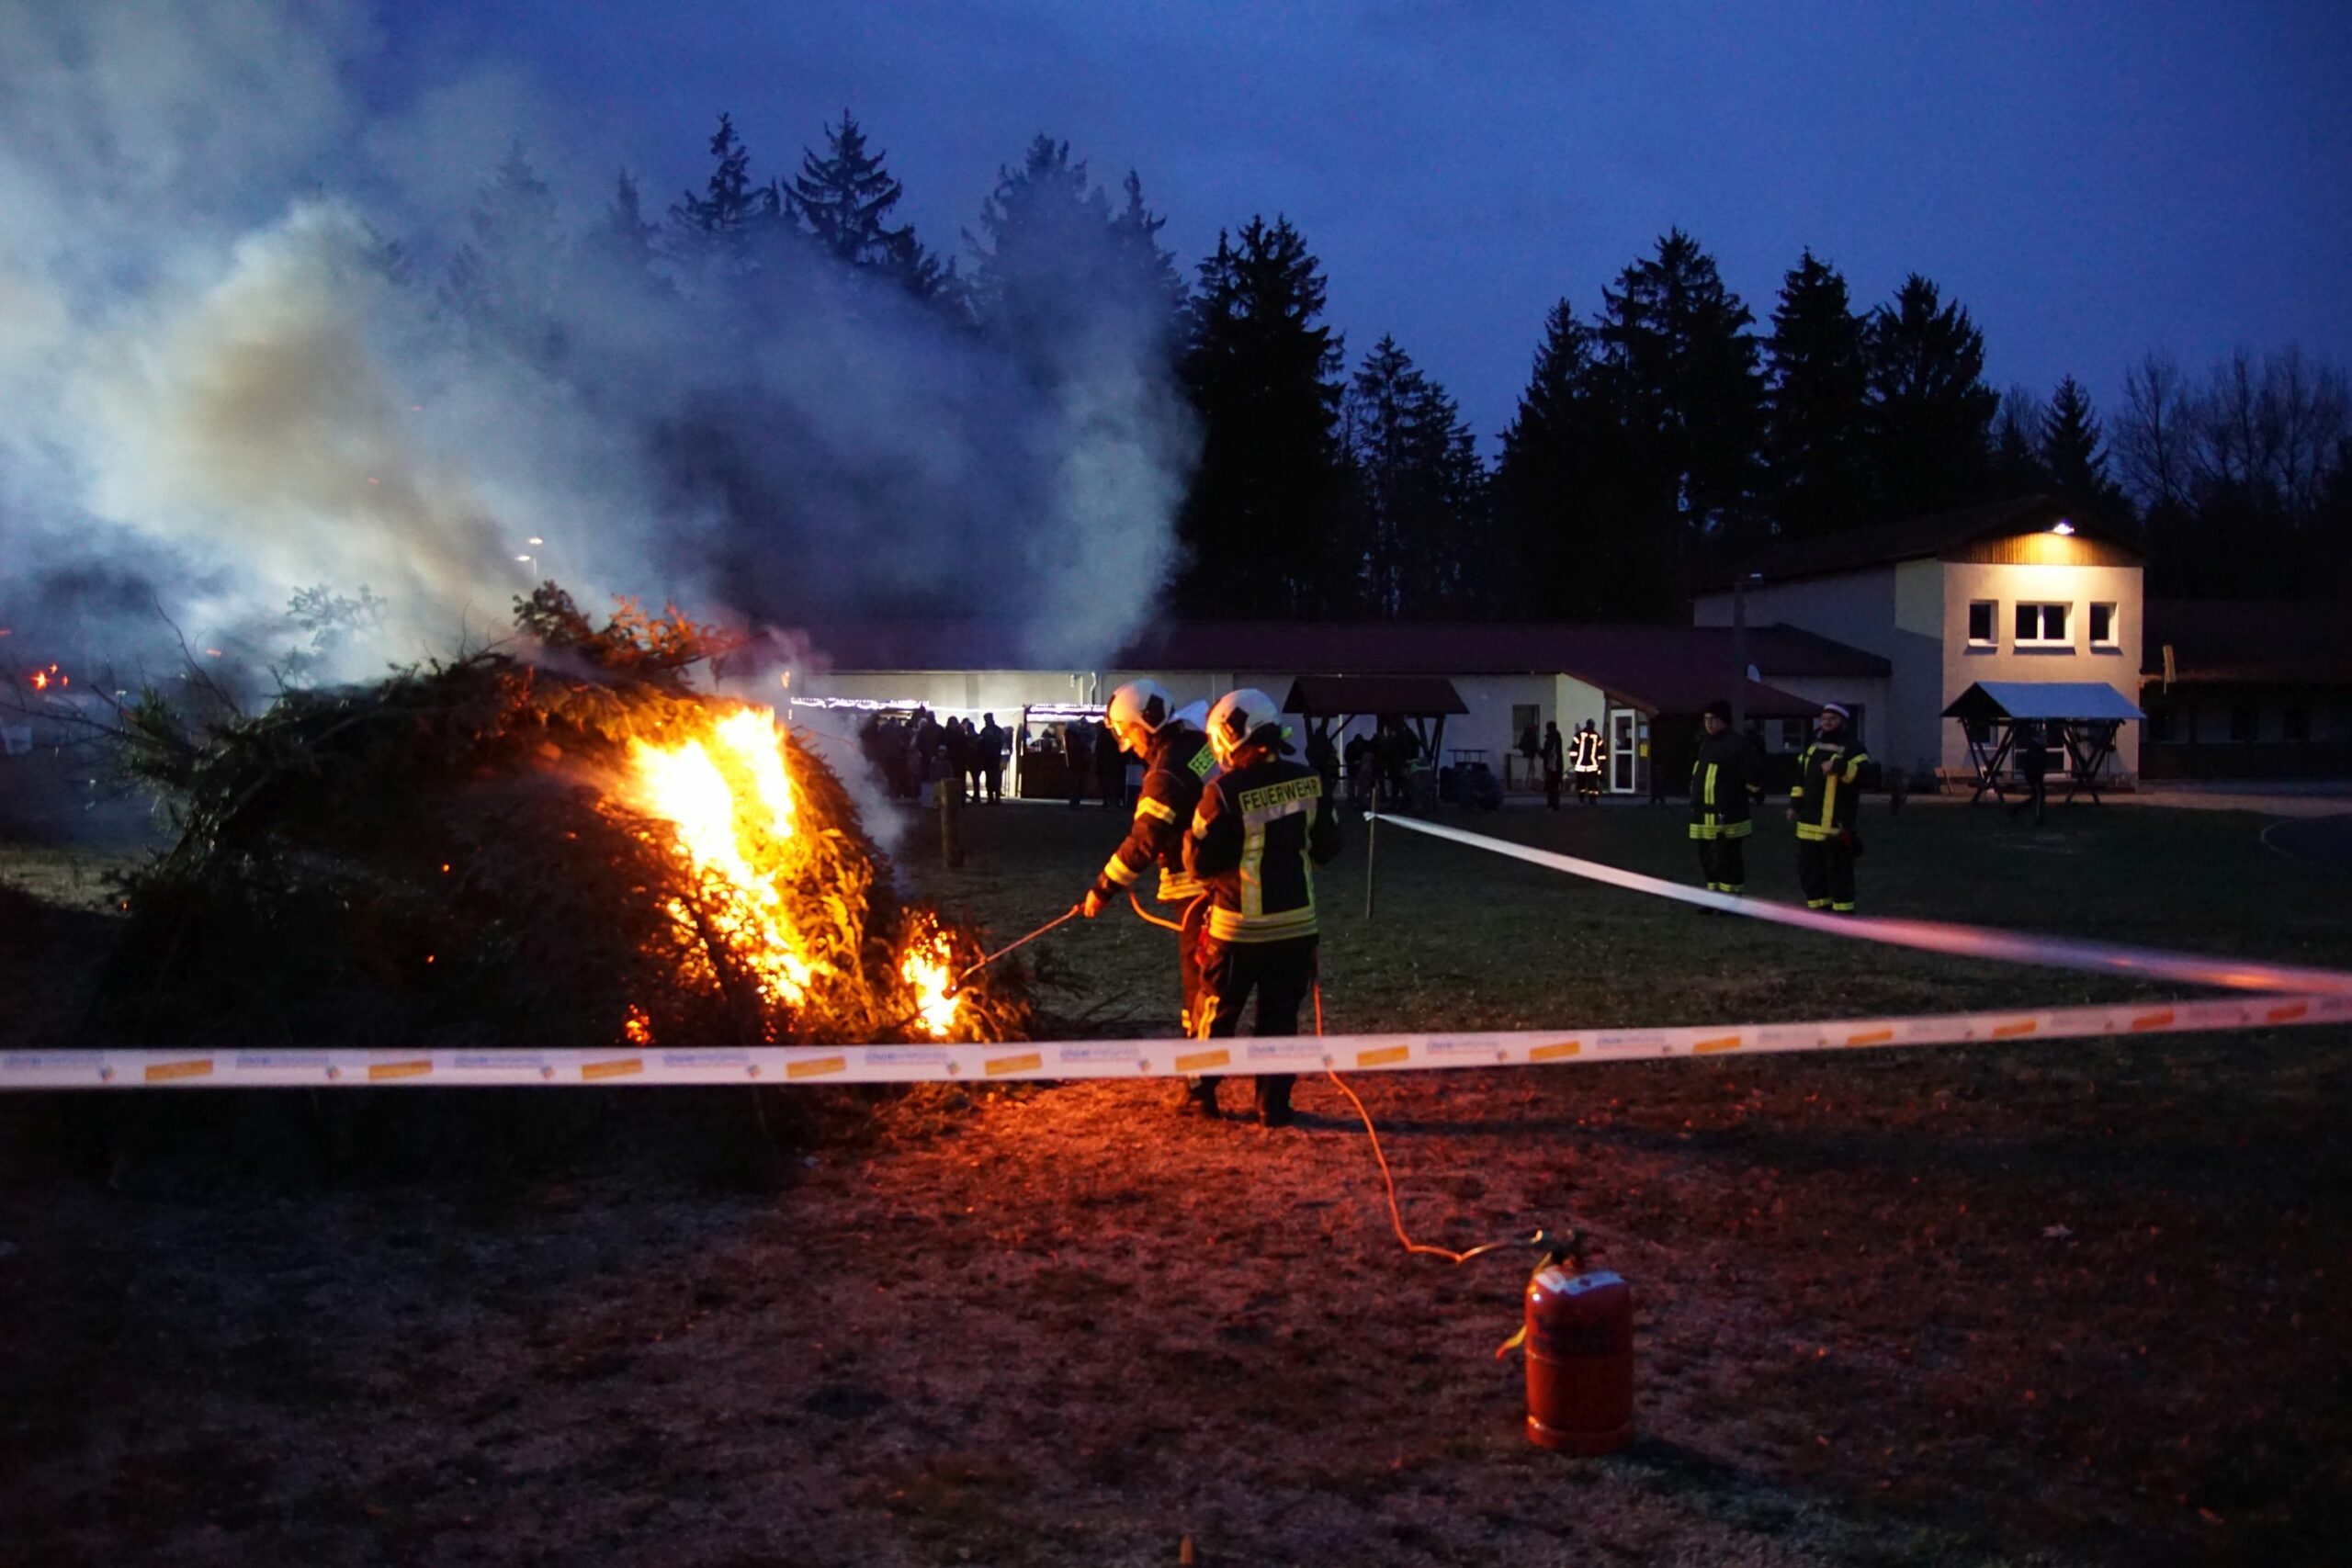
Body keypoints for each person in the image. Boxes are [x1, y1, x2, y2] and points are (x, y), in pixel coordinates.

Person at [1185, 688, 1341, 1128]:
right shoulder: (1311, 780)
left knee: (1217, 1012)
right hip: (1296, 928)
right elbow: (1329, 847)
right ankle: (1272, 1105)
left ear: (1233, 735)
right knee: (1279, 1020)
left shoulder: (1222, 791)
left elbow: (1197, 861)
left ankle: (1200, 1094)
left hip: (1236, 930)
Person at [1078, 681, 1221, 1095]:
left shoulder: (1165, 773)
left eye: (1127, 732)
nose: (1127, 743)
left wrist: (1102, 890)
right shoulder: (1197, 742)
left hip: (1196, 888)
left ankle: (1200, 1085)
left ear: (1147, 724)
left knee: (1199, 985)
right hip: (1227, 879)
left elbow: (1144, 839)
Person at [1789, 702, 1879, 914]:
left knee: (1838, 868)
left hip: (1836, 821)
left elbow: (1868, 777)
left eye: (1833, 719)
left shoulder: (1854, 748)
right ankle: (1819, 907)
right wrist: (1794, 805)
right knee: (1810, 868)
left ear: (1843, 723)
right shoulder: (1812, 747)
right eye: (1825, 718)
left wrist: (1839, 766)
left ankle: (1843, 910)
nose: (1827, 722)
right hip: (1809, 821)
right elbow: (1800, 778)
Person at [1689, 698, 1764, 896]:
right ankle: (1714, 896)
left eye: (1713, 719)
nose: (1709, 723)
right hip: (1703, 813)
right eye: (1706, 719)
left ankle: (1731, 898)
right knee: (1706, 857)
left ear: (1724, 720)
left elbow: (1753, 776)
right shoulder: (1705, 744)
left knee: (1728, 858)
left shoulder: (1737, 744)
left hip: (1728, 814)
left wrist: (1737, 800)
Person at [2009, 721, 2048, 825]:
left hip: (2035, 776)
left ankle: (2017, 810)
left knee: (2036, 796)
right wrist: (2036, 776)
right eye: (2044, 737)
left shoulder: (2037, 748)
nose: (2046, 740)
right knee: (2040, 796)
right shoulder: (2036, 749)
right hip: (2035, 777)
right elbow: (2034, 764)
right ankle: (2038, 817)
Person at [1571, 718, 1606, 804]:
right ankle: (1592, 798)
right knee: (1592, 783)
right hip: (1592, 765)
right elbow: (1601, 752)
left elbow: (1574, 750)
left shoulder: (1578, 735)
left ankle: (1582, 797)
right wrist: (1602, 763)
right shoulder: (1597, 736)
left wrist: (1573, 760)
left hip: (1580, 764)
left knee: (1581, 782)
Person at [1093, 716, 1125, 808]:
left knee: (1105, 785)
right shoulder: (1113, 736)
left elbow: (1098, 752)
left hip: (1104, 765)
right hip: (1114, 764)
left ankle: (1107, 802)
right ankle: (1115, 802)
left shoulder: (1101, 737)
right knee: (1114, 784)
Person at [978, 713, 1007, 803]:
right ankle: (994, 797)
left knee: (991, 778)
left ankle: (993, 797)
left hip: (991, 758)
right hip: (993, 758)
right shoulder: (997, 730)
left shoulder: (985, 731)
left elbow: (980, 744)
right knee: (994, 778)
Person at [1063, 719, 1091, 809]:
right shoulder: (1074, 737)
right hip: (1078, 763)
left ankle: (1074, 801)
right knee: (1078, 782)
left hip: (1074, 763)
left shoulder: (1068, 736)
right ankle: (1075, 801)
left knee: (1076, 782)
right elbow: (1080, 748)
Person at [1541, 720, 1565, 810]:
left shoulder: (1552, 738)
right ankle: (1553, 804)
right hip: (1556, 765)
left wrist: (1541, 752)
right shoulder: (1557, 737)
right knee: (1553, 786)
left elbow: (1549, 751)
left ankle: (1552, 805)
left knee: (1552, 786)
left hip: (1553, 766)